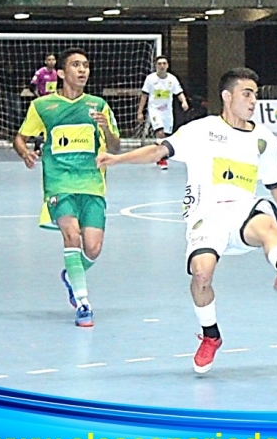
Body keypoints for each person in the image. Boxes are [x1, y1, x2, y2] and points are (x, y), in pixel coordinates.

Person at [97, 67, 277, 373]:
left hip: (243, 210)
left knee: (267, 222)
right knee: (201, 275)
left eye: (256, 94)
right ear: (228, 97)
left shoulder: (263, 139)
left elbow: (276, 181)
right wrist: (118, 159)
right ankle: (210, 335)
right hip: (206, 215)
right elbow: (159, 150)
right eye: (247, 94)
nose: (254, 101)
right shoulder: (200, 130)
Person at [13, 47, 121, 327]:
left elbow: (115, 146)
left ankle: (71, 274)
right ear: (61, 72)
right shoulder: (42, 106)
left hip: (92, 183)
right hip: (59, 183)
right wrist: (25, 152)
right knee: (71, 236)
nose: (83, 70)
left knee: (93, 248)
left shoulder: (98, 104)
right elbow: (20, 138)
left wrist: (106, 128)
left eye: (86, 65)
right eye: (76, 65)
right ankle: (84, 303)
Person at [136, 55, 189, 169]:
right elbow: (144, 96)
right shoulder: (150, 79)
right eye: (159, 64)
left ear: (167, 66)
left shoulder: (172, 79)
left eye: (164, 63)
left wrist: (184, 102)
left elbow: (179, 92)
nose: (162, 66)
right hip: (154, 110)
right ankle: (160, 159)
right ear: (156, 66)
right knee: (159, 132)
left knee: (165, 136)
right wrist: (140, 112)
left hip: (167, 112)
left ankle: (158, 154)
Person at [29, 53, 59, 154]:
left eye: (53, 59)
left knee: (52, 124)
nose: (51, 61)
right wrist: (40, 98)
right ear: (45, 61)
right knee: (41, 125)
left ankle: (51, 145)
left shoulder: (55, 73)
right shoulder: (40, 72)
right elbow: (32, 86)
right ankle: (37, 147)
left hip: (53, 103)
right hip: (43, 103)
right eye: (49, 59)